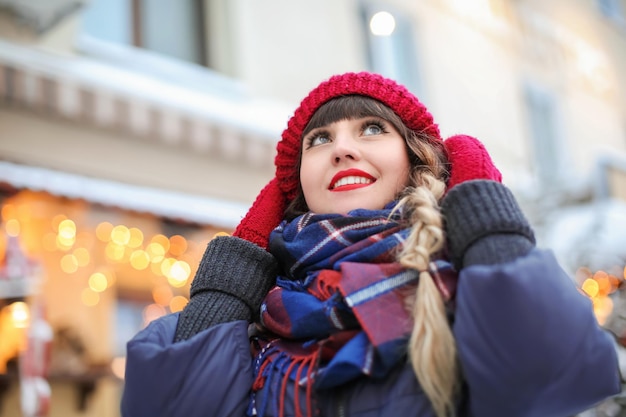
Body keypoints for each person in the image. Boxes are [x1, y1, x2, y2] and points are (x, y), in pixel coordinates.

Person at [120, 72, 620, 417]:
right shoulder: (258, 320)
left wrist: (483, 217)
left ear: (415, 160)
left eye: (373, 128)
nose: (341, 147)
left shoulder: (462, 289)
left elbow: (557, 372)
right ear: (297, 184)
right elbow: (172, 404)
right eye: (319, 140)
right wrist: (235, 274)